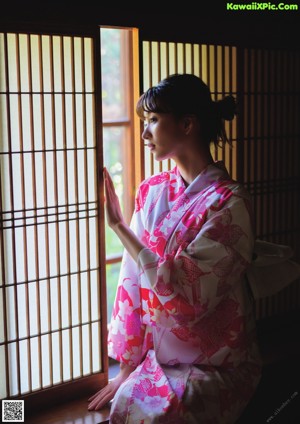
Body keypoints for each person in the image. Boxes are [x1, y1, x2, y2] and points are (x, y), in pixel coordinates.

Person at [88, 73, 262, 423]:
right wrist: (126, 367)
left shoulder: (229, 205)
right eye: (143, 121)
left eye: (153, 120)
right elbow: (131, 281)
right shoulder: (151, 191)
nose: (144, 133)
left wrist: (120, 227)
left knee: (164, 415)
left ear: (187, 124)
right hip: (156, 357)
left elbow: (186, 296)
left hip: (216, 361)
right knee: (124, 406)